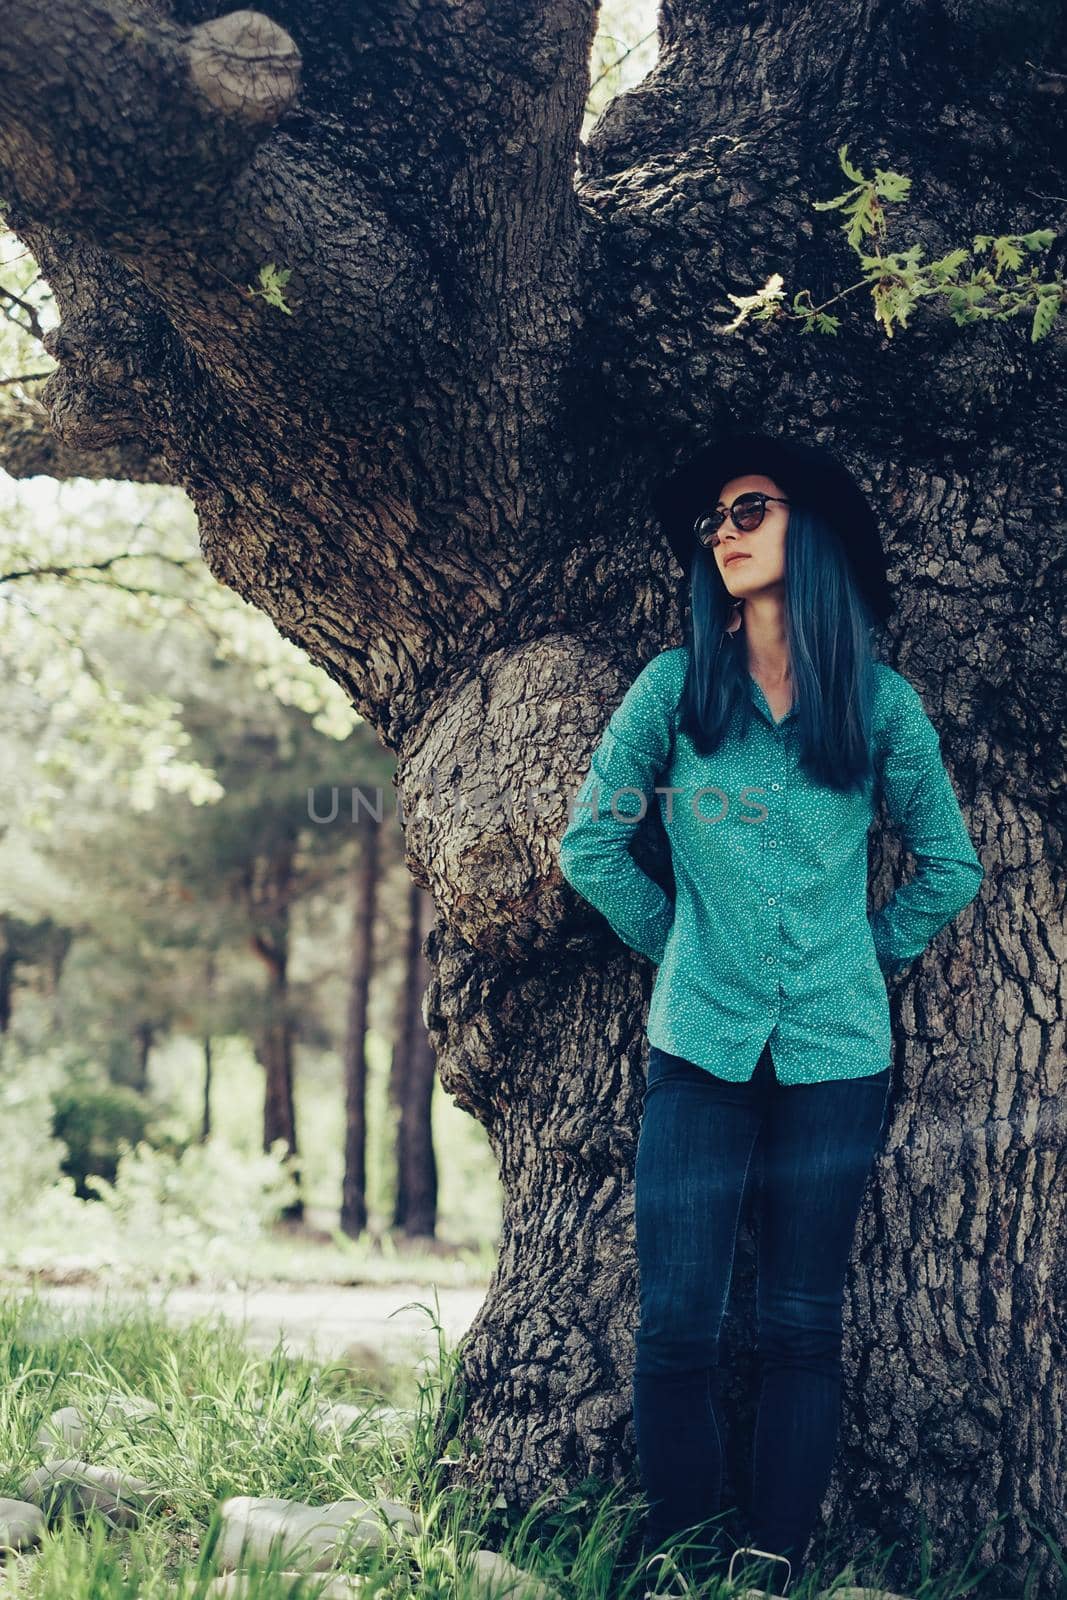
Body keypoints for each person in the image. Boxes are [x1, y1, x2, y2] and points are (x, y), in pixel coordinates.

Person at [556, 431, 985, 1597]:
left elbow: (949, 868)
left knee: (802, 1323)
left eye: (749, 507)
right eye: (712, 521)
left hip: (837, 1059)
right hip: (695, 1051)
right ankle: (686, 1556)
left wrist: (862, 952)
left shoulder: (878, 706)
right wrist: (682, 947)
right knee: (677, 1326)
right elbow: (589, 843)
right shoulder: (672, 690)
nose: (724, 530)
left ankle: (768, 1560)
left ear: (813, 533)